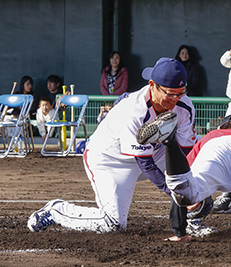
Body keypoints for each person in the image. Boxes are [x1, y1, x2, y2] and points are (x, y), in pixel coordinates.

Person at [27, 57, 214, 242]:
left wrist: (192, 190)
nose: (175, 99)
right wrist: (178, 193)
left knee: (191, 178)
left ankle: (191, 222)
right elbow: (145, 164)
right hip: (110, 160)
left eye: (180, 93)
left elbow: (187, 153)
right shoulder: (135, 110)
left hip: (154, 153)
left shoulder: (184, 106)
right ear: (152, 85)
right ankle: (56, 211)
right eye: (170, 93)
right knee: (113, 224)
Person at [136, 112, 231, 248]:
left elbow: (183, 178)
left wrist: (179, 232)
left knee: (186, 189)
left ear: (222, 127)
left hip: (214, 146)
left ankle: (170, 140)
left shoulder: (210, 136)